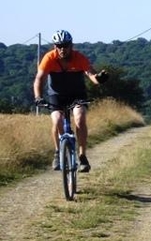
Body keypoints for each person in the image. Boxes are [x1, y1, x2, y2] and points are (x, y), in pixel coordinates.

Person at [33, 30, 108, 172]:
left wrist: (98, 79)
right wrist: (38, 97)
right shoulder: (49, 58)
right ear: (55, 46)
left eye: (65, 45)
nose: (62, 49)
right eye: (59, 46)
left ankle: (82, 156)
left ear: (71, 45)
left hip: (77, 94)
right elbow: (39, 79)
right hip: (57, 95)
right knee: (57, 120)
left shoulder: (79, 57)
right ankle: (57, 152)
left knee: (80, 117)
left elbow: (90, 74)